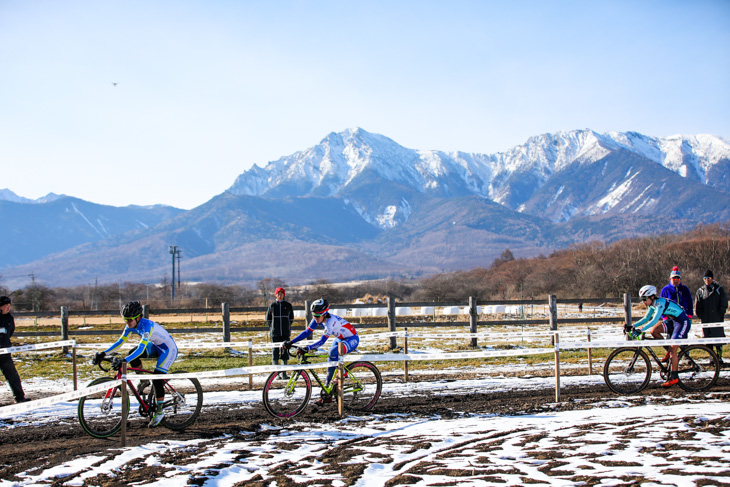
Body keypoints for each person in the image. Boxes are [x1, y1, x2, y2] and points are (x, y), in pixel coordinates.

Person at [93, 301, 179, 427]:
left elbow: (141, 349)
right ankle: (143, 381)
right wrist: (103, 353)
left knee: (156, 379)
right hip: (156, 346)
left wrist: (125, 360)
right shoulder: (130, 325)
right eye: (125, 319)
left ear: (138, 317)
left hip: (168, 350)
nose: (127, 323)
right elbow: (119, 342)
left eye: (129, 320)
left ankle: (159, 413)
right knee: (131, 352)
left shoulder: (146, 326)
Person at [284, 298, 359, 404]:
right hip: (340, 338)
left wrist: (308, 348)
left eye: (318, 316)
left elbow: (322, 341)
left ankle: (343, 373)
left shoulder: (330, 322)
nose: (315, 318)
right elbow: (306, 332)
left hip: (352, 339)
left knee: (333, 352)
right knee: (330, 363)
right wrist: (291, 342)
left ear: (324, 314)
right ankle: (327, 394)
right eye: (314, 315)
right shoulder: (317, 319)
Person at [633, 285, 691, 387]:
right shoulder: (652, 305)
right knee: (654, 331)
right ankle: (669, 351)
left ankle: (674, 377)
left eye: (644, 299)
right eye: (642, 300)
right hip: (673, 321)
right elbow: (646, 318)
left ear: (652, 297)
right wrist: (632, 325)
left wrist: (641, 329)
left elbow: (654, 320)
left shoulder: (659, 304)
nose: (643, 302)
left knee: (673, 350)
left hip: (682, 322)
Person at [695, 269, 728, 365]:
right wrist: (700, 315)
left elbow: (724, 302)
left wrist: (721, 312)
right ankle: (711, 357)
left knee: (718, 337)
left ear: (712, 279)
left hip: (716, 317)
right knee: (708, 338)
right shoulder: (700, 291)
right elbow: (697, 304)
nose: (707, 280)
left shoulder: (719, 289)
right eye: (705, 278)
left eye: (708, 278)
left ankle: (719, 357)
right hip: (706, 319)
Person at [0, 296, 29, 403]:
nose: (8, 308)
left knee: (13, 376)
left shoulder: (9, 318)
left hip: (5, 353)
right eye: (5, 306)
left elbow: (10, 332)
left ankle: (20, 397)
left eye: (9, 306)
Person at [266, 287, 294, 379]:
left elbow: (291, 318)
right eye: (278, 294)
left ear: (284, 295)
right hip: (275, 334)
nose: (280, 295)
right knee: (275, 352)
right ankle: (276, 374)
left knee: (285, 352)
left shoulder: (288, 305)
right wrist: (272, 328)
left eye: (281, 294)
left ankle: (284, 373)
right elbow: (268, 319)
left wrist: (287, 326)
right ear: (276, 295)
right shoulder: (272, 306)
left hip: (285, 333)